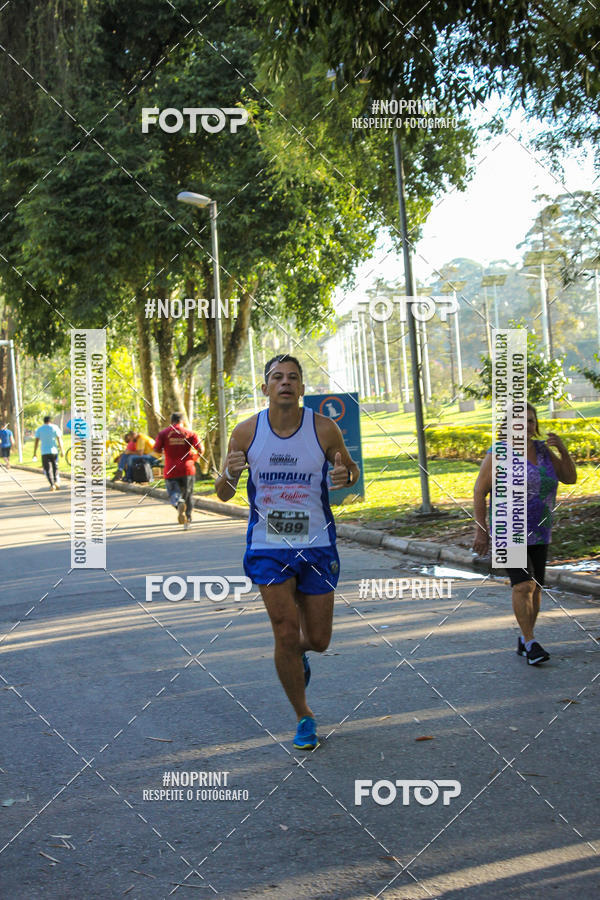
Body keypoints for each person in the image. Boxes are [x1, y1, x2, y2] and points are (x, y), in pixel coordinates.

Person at [215, 354, 360, 750]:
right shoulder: (245, 433)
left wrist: (345, 474)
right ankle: (304, 716)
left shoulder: (324, 429)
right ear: (265, 388)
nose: (285, 383)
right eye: (277, 377)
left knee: (317, 638)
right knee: (284, 631)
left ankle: (299, 658)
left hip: (315, 543)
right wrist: (229, 471)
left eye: (293, 377)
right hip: (268, 545)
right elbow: (223, 492)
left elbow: (350, 470)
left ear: (301, 387)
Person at [473, 402, 577, 665]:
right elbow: (479, 491)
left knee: (537, 587)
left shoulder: (542, 450)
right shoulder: (498, 452)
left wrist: (562, 449)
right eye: (520, 420)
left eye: (531, 420)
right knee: (522, 585)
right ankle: (531, 643)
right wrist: (481, 531)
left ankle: (525, 635)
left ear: (535, 425)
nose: (526, 425)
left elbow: (569, 478)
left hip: (541, 527)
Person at [153, 413, 204, 529]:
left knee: (173, 492)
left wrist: (165, 453)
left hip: (170, 469)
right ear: (183, 421)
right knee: (188, 494)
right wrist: (195, 457)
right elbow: (201, 449)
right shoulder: (190, 433)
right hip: (187, 468)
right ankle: (188, 521)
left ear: (171, 421)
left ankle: (178, 502)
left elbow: (156, 449)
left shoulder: (163, 433)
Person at [33, 415, 64, 490]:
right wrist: (62, 450)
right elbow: (59, 439)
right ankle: (56, 481)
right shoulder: (55, 427)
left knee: (47, 469)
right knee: (55, 467)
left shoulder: (39, 429)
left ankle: (52, 484)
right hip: (54, 451)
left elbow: (36, 441)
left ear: (44, 421)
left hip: (44, 452)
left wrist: (34, 452)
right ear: (50, 421)